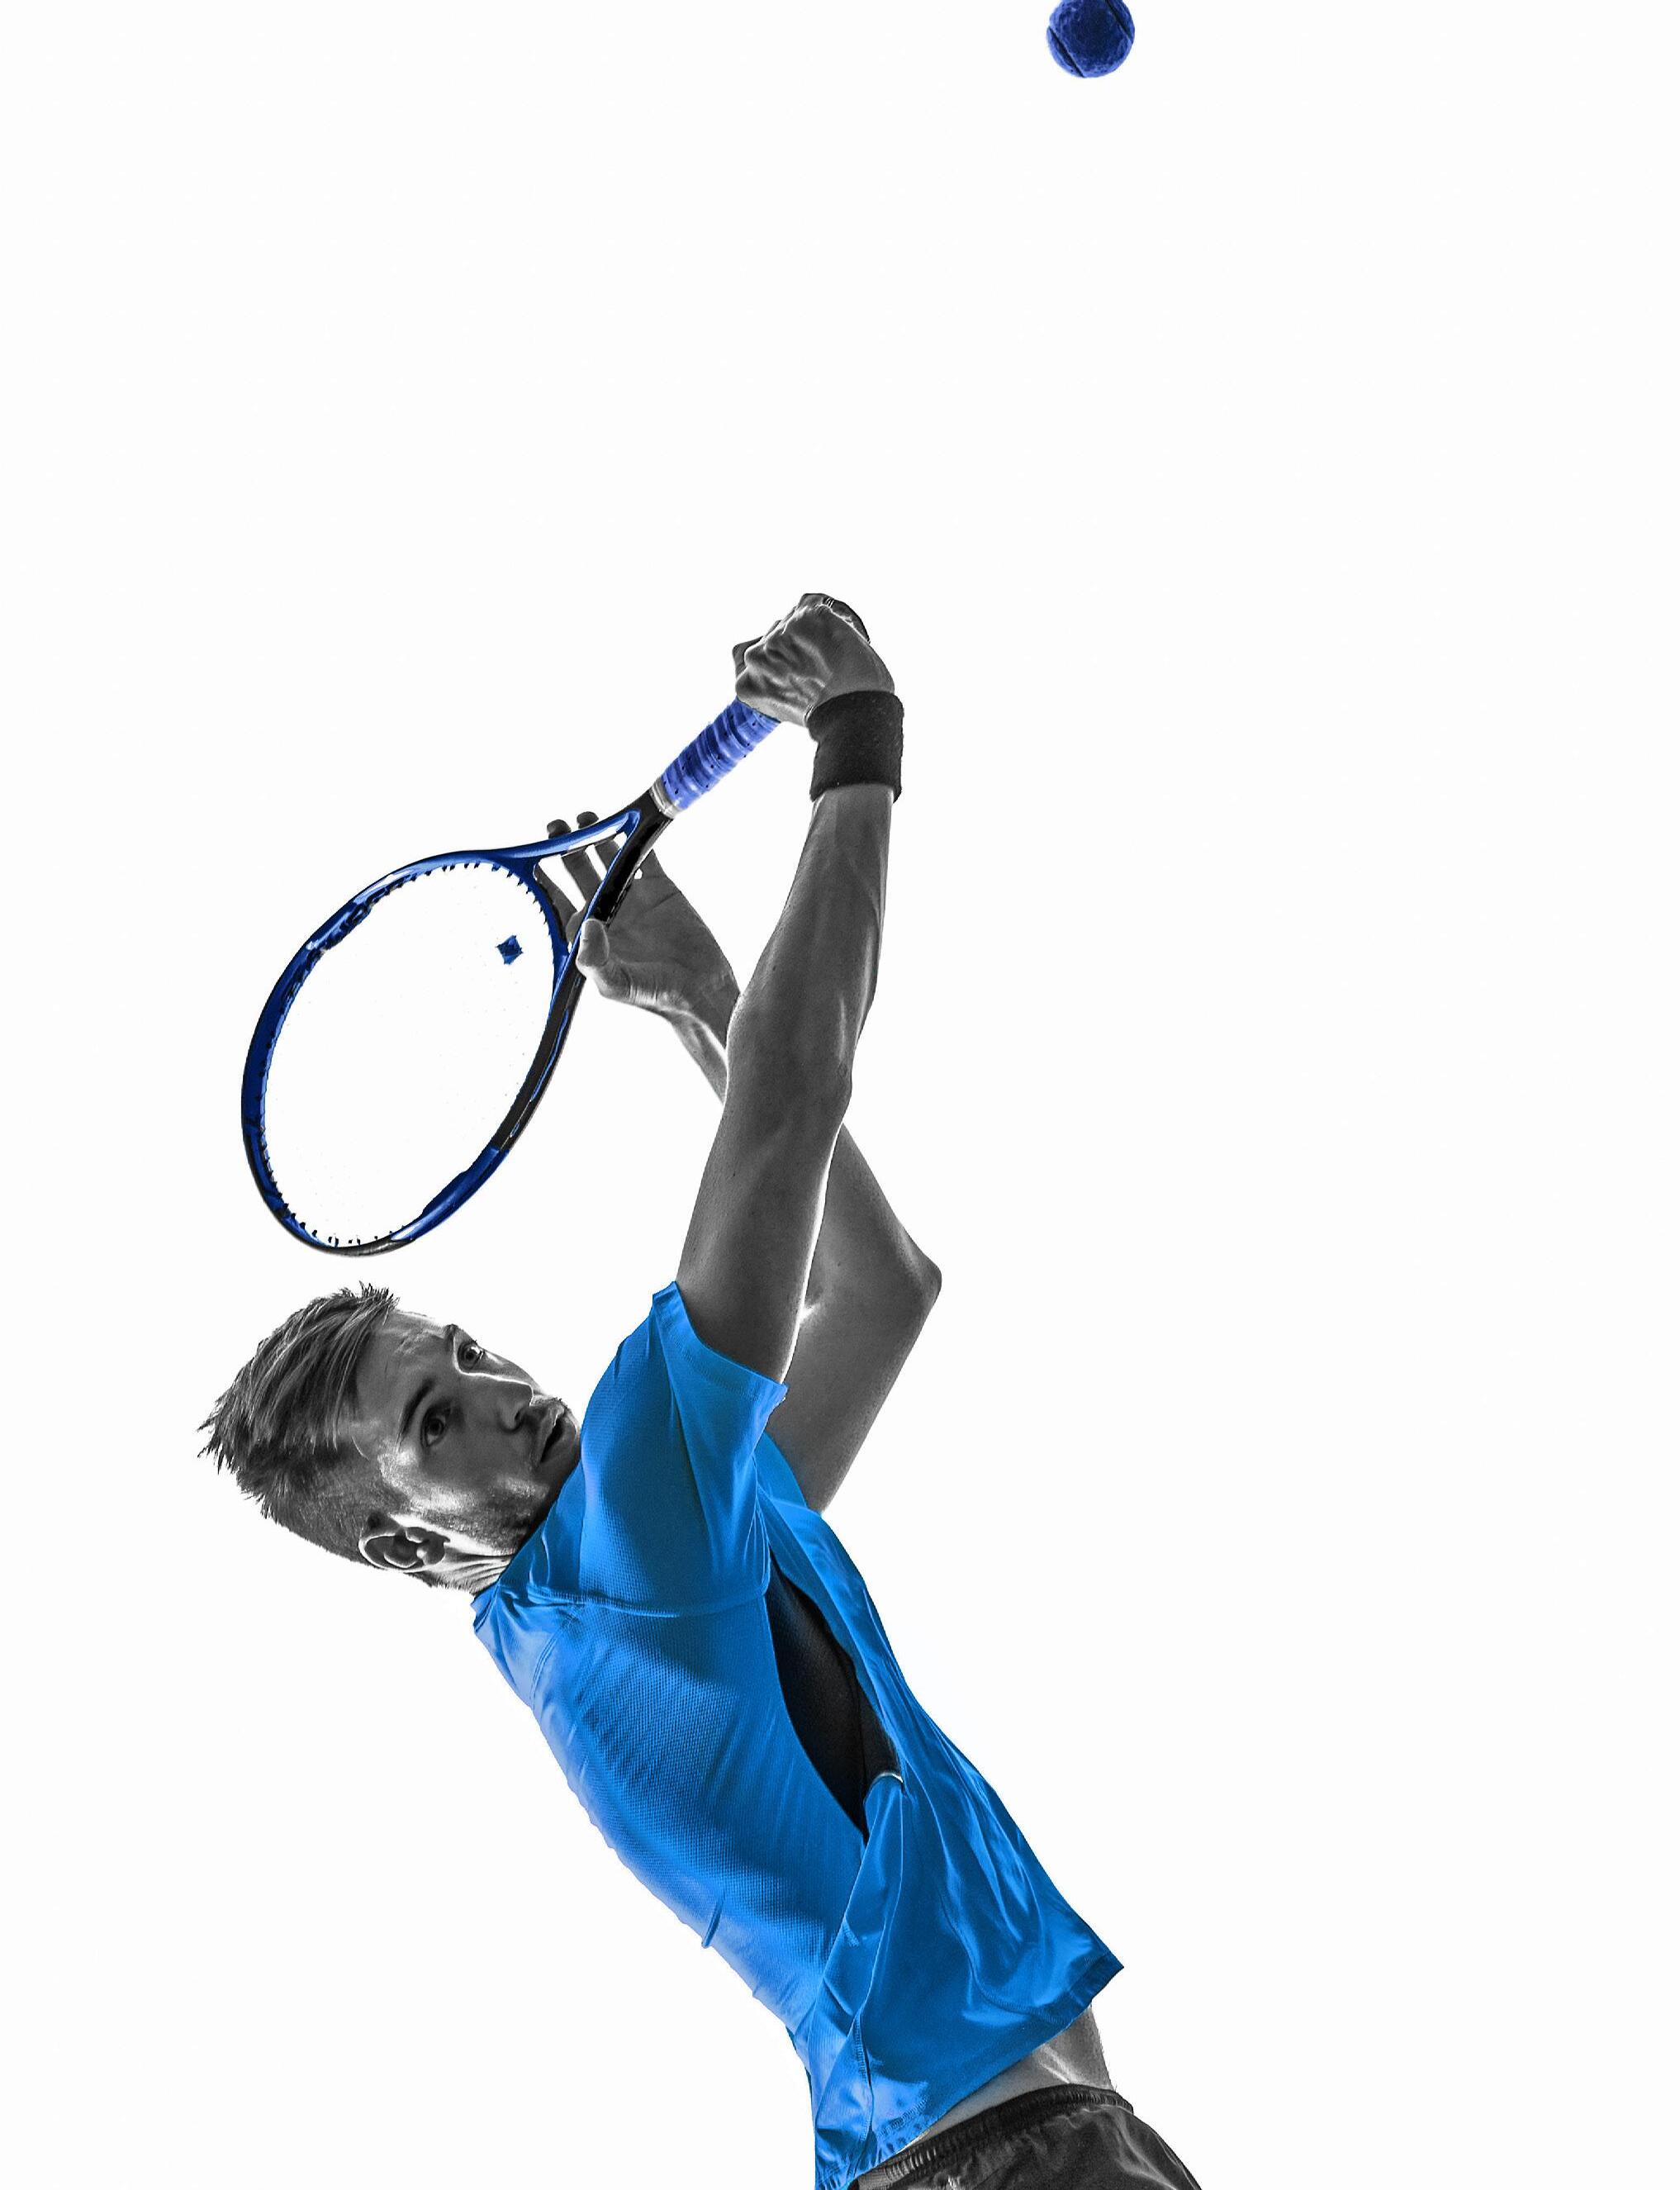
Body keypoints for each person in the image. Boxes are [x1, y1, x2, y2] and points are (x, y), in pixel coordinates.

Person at [202, 597, 1200, 2190]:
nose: (497, 1391)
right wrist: (857, 737)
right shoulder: (628, 1543)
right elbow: (795, 1103)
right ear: (405, 1541)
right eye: (433, 1422)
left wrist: (696, 997)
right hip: (1002, 2159)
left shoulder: (658, 1584)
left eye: (466, 1354)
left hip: (998, 2147)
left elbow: (880, 1291)